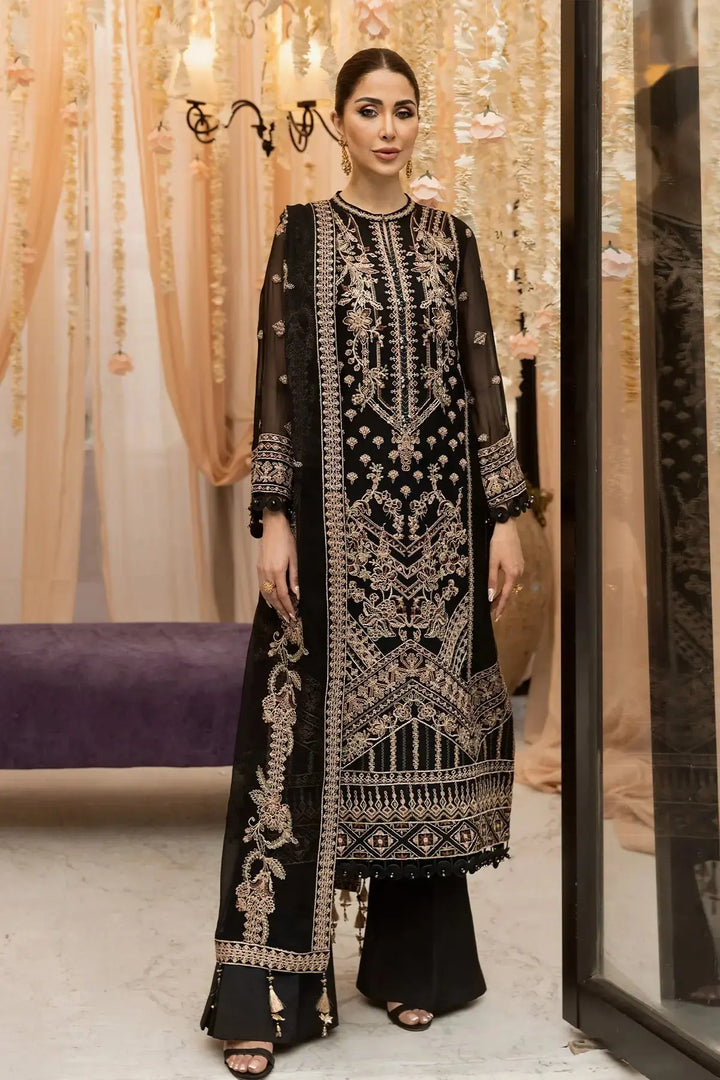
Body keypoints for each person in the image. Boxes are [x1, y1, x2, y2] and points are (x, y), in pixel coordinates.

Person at [200, 47, 530, 1078]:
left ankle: (412, 968)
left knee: (427, 742)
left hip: (438, 541)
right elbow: (276, 382)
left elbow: (481, 378)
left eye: (404, 111)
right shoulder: (302, 236)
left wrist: (504, 517)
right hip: (332, 539)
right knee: (293, 748)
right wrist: (274, 520)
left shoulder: (451, 240)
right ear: (340, 121)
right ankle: (267, 993)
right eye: (370, 110)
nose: (389, 129)